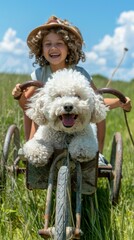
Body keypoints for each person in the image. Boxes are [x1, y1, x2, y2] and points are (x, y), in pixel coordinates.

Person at [12, 15, 132, 157]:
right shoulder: (39, 74)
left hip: (76, 123)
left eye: (59, 43)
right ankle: (33, 146)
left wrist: (119, 102)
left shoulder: (79, 74)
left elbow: (95, 99)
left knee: (96, 110)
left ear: (69, 47)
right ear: (41, 49)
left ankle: (97, 154)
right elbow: (26, 105)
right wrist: (19, 95)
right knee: (35, 109)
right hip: (50, 124)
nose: (53, 48)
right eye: (48, 44)